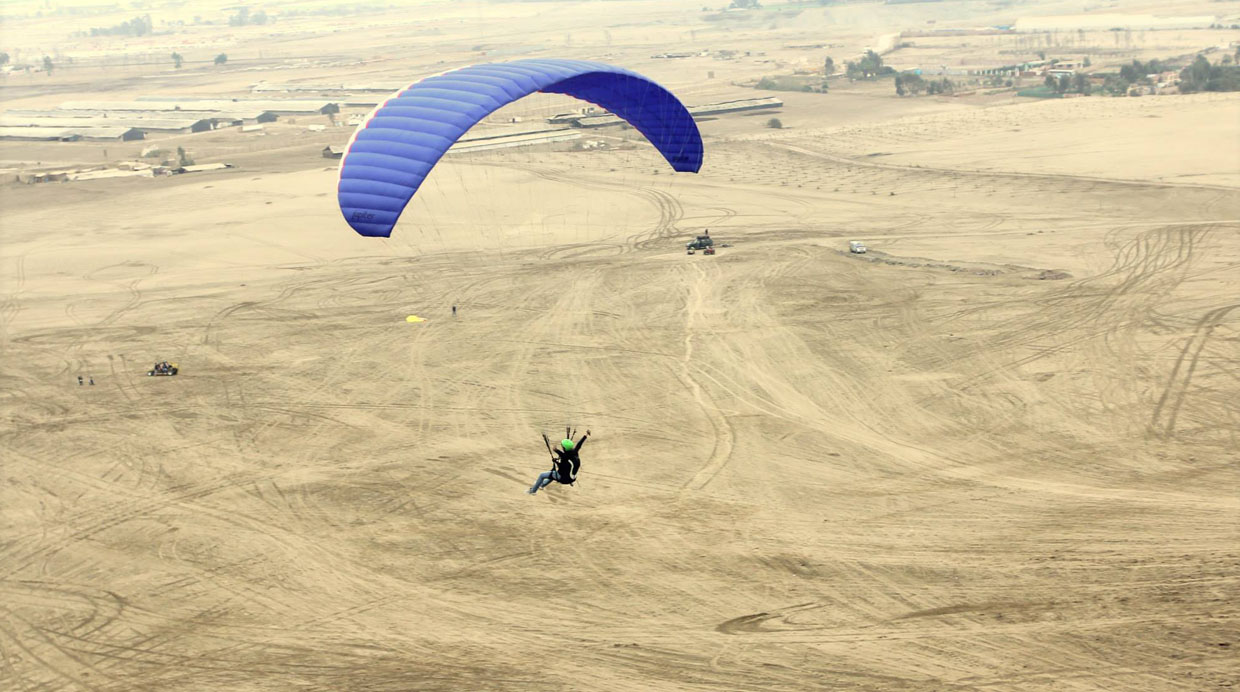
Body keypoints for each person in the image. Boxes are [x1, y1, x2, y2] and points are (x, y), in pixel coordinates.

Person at [528, 428, 591, 494]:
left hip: (564, 479)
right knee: (552, 474)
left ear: (564, 448)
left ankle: (533, 491)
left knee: (543, 475)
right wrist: (586, 435)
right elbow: (579, 444)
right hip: (573, 477)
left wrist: (556, 462)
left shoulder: (564, 458)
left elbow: (561, 468)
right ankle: (542, 485)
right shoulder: (574, 452)